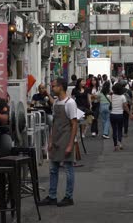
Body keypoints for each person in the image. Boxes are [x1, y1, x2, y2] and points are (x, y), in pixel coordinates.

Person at [39, 78, 78, 207]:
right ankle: (52, 196)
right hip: (56, 139)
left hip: (66, 139)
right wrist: (50, 141)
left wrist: (71, 144)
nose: (52, 88)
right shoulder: (55, 103)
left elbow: (74, 124)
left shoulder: (70, 103)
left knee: (68, 169)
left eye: (54, 86)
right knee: (53, 169)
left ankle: (69, 196)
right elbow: (54, 124)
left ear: (61, 87)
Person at [110, 83, 130, 151]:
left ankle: (115, 145)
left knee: (114, 130)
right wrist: (129, 113)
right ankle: (120, 143)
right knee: (120, 129)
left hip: (112, 115)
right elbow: (125, 106)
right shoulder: (122, 97)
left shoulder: (111, 96)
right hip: (120, 115)